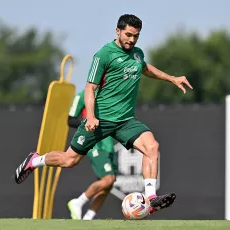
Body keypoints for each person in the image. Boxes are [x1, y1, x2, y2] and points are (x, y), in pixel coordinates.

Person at [14, 14, 193, 215]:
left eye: (136, 36)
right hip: (101, 120)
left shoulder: (137, 54)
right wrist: (90, 116)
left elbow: (145, 67)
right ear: (117, 31)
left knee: (152, 147)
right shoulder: (104, 55)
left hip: (125, 120)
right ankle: (34, 160)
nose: (132, 40)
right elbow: (90, 88)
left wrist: (172, 78)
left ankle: (150, 198)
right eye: (128, 35)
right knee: (69, 160)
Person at [66, 90, 118, 220]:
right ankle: (78, 202)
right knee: (108, 179)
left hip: (108, 145)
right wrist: (89, 124)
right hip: (95, 144)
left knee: (107, 184)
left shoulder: (109, 93)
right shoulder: (83, 95)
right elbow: (70, 120)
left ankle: (88, 218)